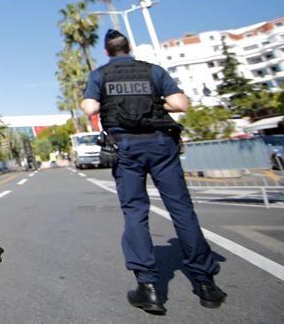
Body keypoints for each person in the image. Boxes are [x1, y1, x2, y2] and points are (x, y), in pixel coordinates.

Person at [80, 29, 226, 315]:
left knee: (135, 212)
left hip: (125, 149)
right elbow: (181, 103)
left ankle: (148, 289)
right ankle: (205, 283)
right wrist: (157, 102)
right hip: (161, 145)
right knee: (182, 210)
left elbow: (89, 108)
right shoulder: (153, 71)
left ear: (107, 51)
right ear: (129, 48)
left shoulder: (100, 75)